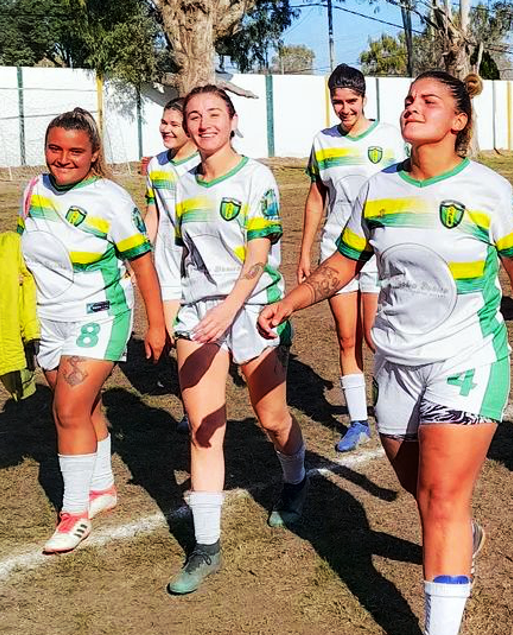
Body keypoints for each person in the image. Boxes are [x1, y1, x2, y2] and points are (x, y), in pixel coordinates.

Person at [259, 71, 513, 635]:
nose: (412, 108)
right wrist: (292, 301)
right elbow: (343, 263)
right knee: (421, 490)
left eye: (429, 101)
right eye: (409, 101)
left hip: (466, 358)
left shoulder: (488, 189)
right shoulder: (380, 187)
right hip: (396, 364)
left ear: (458, 120)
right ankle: (464, 538)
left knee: (440, 499)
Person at [167, 85, 307, 595]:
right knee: (204, 430)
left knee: (272, 418)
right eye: (194, 116)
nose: (203, 124)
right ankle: (206, 548)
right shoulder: (179, 183)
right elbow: (178, 259)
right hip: (202, 315)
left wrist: (230, 310)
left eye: (213, 115)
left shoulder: (256, 177)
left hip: (253, 310)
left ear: (232, 120)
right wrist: (177, 315)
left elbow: (257, 254)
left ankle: (295, 481)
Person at [18, 108, 167, 553]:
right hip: (47, 319)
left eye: (76, 151)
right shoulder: (32, 190)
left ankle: (75, 512)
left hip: (98, 316)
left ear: (94, 154)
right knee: (83, 409)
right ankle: (102, 488)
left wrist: (155, 324)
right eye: (55, 149)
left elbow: (142, 263)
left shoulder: (111, 200)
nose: (63, 159)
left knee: (66, 410)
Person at [298, 64, 406, 452]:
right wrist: (306, 249)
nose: (344, 109)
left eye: (351, 102)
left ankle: (397, 405)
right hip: (336, 252)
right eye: (338, 102)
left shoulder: (391, 139)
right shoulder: (323, 142)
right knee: (347, 338)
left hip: (377, 252)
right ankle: (358, 421)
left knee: (375, 336)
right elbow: (317, 197)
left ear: (364, 99)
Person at [142, 98, 200, 431]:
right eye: (164, 122)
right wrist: (141, 255)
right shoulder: (156, 166)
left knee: (195, 335)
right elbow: (153, 214)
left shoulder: (203, 165)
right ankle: (192, 408)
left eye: (173, 124)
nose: (166, 129)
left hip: (198, 265)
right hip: (166, 265)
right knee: (177, 337)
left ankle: (200, 401)